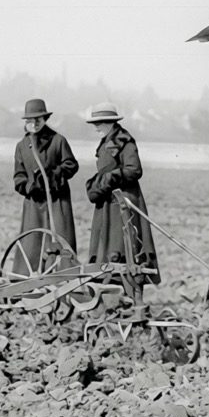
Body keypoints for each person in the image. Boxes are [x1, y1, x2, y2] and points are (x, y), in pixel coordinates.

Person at [84, 102, 160, 291]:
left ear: (109, 122)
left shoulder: (125, 141)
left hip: (124, 201)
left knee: (123, 246)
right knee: (107, 244)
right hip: (108, 201)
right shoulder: (106, 141)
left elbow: (134, 170)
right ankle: (110, 286)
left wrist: (110, 178)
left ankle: (127, 288)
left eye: (98, 123)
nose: (95, 128)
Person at [10, 99, 79, 276]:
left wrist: (52, 176)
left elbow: (71, 165)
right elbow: (19, 177)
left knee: (60, 240)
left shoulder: (58, 141)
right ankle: (25, 284)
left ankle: (66, 283)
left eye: (38, 119)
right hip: (34, 204)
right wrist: (30, 186)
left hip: (57, 201)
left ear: (44, 119)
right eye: (30, 120)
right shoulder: (22, 146)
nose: (34, 124)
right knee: (32, 243)